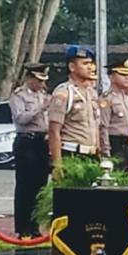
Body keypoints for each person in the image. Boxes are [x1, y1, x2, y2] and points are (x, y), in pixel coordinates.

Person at [9, 63, 51, 237]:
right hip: (27, 141)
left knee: (40, 185)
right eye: (38, 80)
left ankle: (35, 226)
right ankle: (23, 226)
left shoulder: (44, 95)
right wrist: (40, 108)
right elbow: (21, 118)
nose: (41, 85)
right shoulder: (18, 95)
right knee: (25, 186)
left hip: (42, 142)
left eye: (43, 81)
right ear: (29, 78)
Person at [48, 45, 103, 176]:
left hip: (92, 155)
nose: (91, 67)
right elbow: (53, 131)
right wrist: (57, 165)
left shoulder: (92, 93)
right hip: (72, 154)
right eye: (85, 64)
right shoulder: (63, 93)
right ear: (72, 67)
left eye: (91, 63)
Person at [99, 59, 128, 174]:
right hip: (116, 143)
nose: (126, 78)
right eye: (122, 75)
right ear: (111, 77)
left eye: (127, 75)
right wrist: (106, 151)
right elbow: (103, 127)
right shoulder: (107, 99)